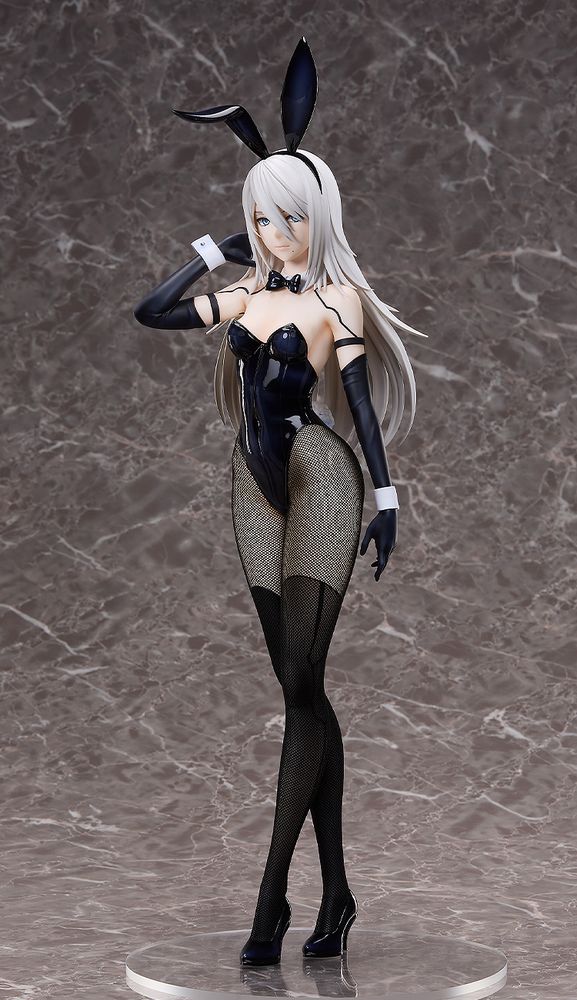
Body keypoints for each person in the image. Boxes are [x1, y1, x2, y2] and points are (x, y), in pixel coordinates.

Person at [133, 36, 426, 967]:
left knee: (303, 689)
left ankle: (273, 897)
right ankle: (337, 895)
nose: (274, 233)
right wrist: (209, 252)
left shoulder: (337, 301)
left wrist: (386, 495)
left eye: (289, 218)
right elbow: (152, 312)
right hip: (250, 483)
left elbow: (362, 407)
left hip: (319, 475)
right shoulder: (244, 296)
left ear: (318, 216)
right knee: (300, 690)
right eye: (261, 218)